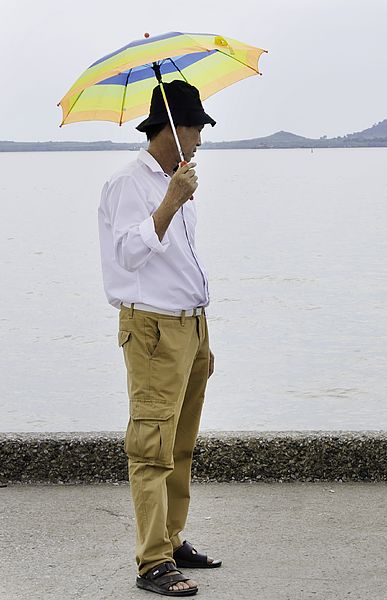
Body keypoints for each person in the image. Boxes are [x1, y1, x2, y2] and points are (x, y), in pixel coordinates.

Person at [98, 80, 221, 597]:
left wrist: (203, 334)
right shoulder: (132, 182)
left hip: (190, 326)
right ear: (173, 129)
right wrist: (171, 201)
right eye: (196, 128)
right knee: (152, 445)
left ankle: (170, 539)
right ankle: (152, 561)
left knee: (182, 443)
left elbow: (178, 260)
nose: (200, 139)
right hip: (151, 328)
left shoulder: (177, 179)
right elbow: (128, 254)